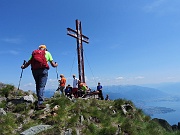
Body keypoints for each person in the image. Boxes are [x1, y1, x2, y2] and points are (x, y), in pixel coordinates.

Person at [21, 44, 58, 109]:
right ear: (45, 49)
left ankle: (39, 99)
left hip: (34, 71)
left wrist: (23, 67)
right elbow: (53, 65)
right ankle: (40, 103)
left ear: (39, 48)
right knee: (41, 86)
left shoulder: (34, 53)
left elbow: (29, 62)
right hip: (43, 70)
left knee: (37, 84)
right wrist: (56, 64)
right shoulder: (47, 53)